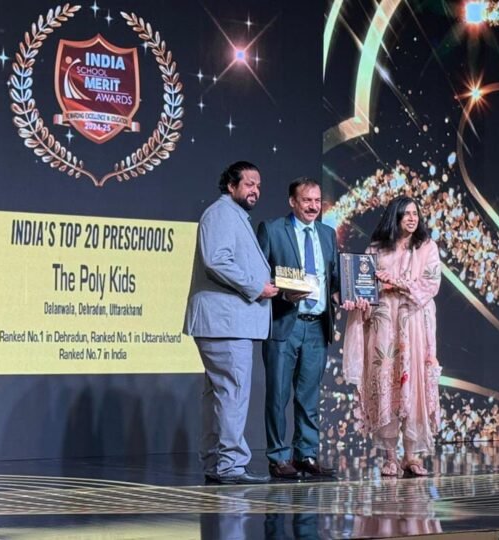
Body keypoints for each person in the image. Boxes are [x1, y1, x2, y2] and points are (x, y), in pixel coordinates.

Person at [184, 161, 279, 485]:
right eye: (249, 184)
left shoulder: (232, 214)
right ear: (231, 185)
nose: (255, 190)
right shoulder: (222, 213)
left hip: (225, 322)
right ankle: (230, 466)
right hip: (225, 322)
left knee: (220, 394)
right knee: (232, 392)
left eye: (258, 185)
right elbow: (217, 260)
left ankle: (217, 463)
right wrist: (256, 287)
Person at [340, 195, 442, 477]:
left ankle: (411, 456)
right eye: (406, 214)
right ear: (394, 217)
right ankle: (389, 457)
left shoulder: (426, 247)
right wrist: (359, 298)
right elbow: (363, 284)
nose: (412, 218)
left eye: (415, 213)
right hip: (383, 324)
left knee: (413, 385)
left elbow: (430, 283)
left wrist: (395, 282)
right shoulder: (376, 249)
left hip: (414, 325)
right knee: (385, 383)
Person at [256, 177, 339, 479]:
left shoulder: (328, 234)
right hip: (284, 324)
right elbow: (258, 274)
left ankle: (306, 454)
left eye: (317, 201)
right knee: (278, 395)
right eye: (307, 200)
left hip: (317, 326)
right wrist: (281, 292)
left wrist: (349, 292)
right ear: (293, 202)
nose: (313, 206)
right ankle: (279, 457)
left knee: (309, 396)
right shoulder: (273, 230)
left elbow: (334, 277)